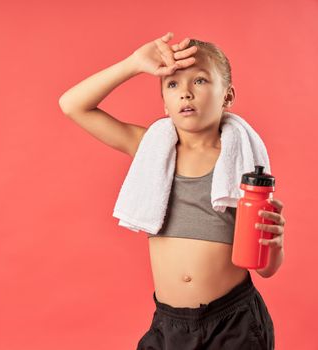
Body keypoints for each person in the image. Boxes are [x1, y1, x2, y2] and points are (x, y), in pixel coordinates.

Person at [58, 32, 286, 349]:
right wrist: (133, 64)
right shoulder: (151, 150)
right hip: (168, 324)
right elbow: (72, 105)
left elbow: (266, 270)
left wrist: (273, 245)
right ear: (164, 104)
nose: (186, 94)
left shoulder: (241, 164)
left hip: (233, 322)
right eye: (173, 84)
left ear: (228, 96)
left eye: (200, 81)